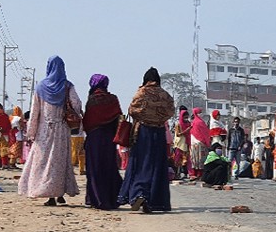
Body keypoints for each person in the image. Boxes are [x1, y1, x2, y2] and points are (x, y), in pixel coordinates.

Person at [18, 56, 82, 206]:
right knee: (60, 161)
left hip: (44, 131)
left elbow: (34, 113)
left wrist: (31, 132)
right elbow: (77, 105)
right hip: (62, 130)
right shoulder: (67, 86)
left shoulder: (41, 87)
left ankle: (49, 194)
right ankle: (60, 193)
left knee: (44, 162)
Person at [118, 67, 176, 213]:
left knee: (141, 163)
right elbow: (170, 112)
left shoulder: (142, 92)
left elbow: (132, 110)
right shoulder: (165, 95)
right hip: (159, 133)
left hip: (143, 132)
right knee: (157, 166)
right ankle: (153, 201)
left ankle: (139, 193)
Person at [82, 74, 123, 210]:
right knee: (109, 167)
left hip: (94, 138)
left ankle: (96, 199)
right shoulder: (113, 99)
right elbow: (119, 119)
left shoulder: (92, 100)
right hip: (109, 139)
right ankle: (112, 199)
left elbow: (87, 122)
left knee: (94, 169)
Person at [189, 107, 211, 180]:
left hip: (193, 142)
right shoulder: (200, 122)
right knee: (201, 159)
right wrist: (207, 142)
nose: (201, 114)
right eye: (199, 112)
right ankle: (200, 174)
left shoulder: (193, 122)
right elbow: (205, 133)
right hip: (201, 143)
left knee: (194, 159)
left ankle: (194, 173)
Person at [172, 106, 191, 180]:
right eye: (185, 117)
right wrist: (187, 130)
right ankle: (176, 174)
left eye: (187, 117)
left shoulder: (188, 123)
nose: (186, 119)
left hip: (186, 143)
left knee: (185, 159)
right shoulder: (178, 124)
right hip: (179, 144)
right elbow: (178, 134)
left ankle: (184, 173)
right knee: (177, 159)